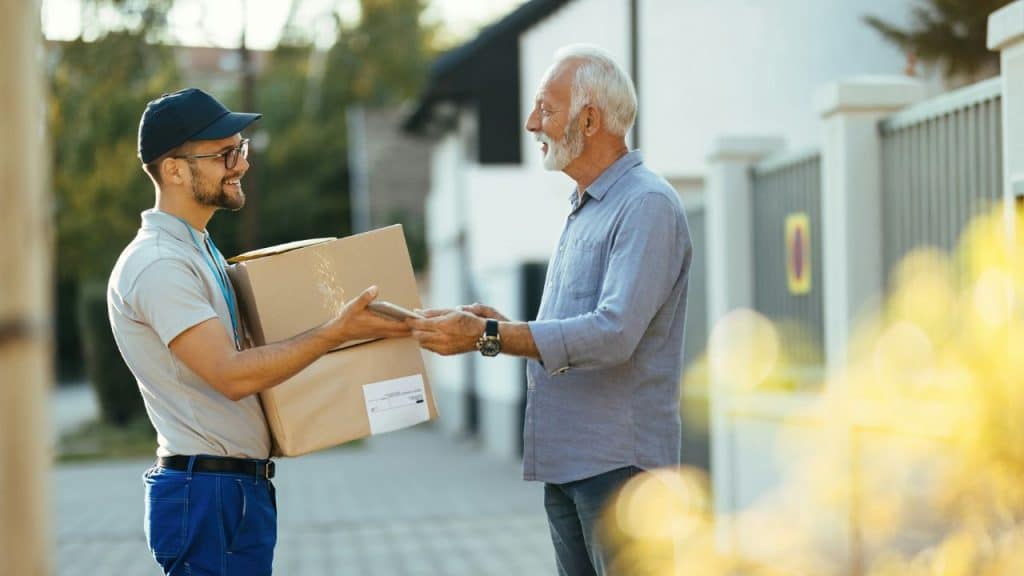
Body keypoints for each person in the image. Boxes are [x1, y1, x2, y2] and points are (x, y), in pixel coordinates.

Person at [408, 45, 693, 576]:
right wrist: (495, 329)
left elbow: (613, 334)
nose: (531, 122)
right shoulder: (588, 205)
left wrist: (490, 333)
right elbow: (567, 334)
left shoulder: (646, 205)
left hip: (620, 469)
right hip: (572, 463)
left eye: (546, 107)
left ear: (589, 119)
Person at [107, 88, 409, 576]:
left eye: (241, 149)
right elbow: (231, 375)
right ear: (174, 170)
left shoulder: (198, 251)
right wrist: (334, 332)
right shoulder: (159, 263)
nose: (241, 165)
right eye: (225, 154)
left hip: (231, 490)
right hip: (207, 494)